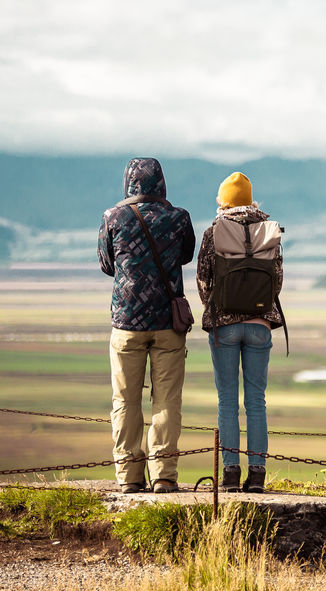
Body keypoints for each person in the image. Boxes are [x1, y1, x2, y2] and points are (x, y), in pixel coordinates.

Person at [98, 157, 195, 494]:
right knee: (167, 400)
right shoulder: (179, 218)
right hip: (169, 323)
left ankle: (128, 477)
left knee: (124, 400)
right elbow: (185, 257)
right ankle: (164, 476)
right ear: (161, 183)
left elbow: (107, 264)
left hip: (125, 322)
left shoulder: (112, 217)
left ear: (128, 182)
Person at [196, 172, 284, 493]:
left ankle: (230, 475)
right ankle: (258, 476)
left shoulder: (213, 233)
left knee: (227, 402)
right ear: (251, 200)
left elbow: (203, 280)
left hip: (224, 327)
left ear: (223, 202)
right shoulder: (269, 232)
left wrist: (220, 307)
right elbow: (277, 280)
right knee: (257, 401)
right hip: (261, 324)